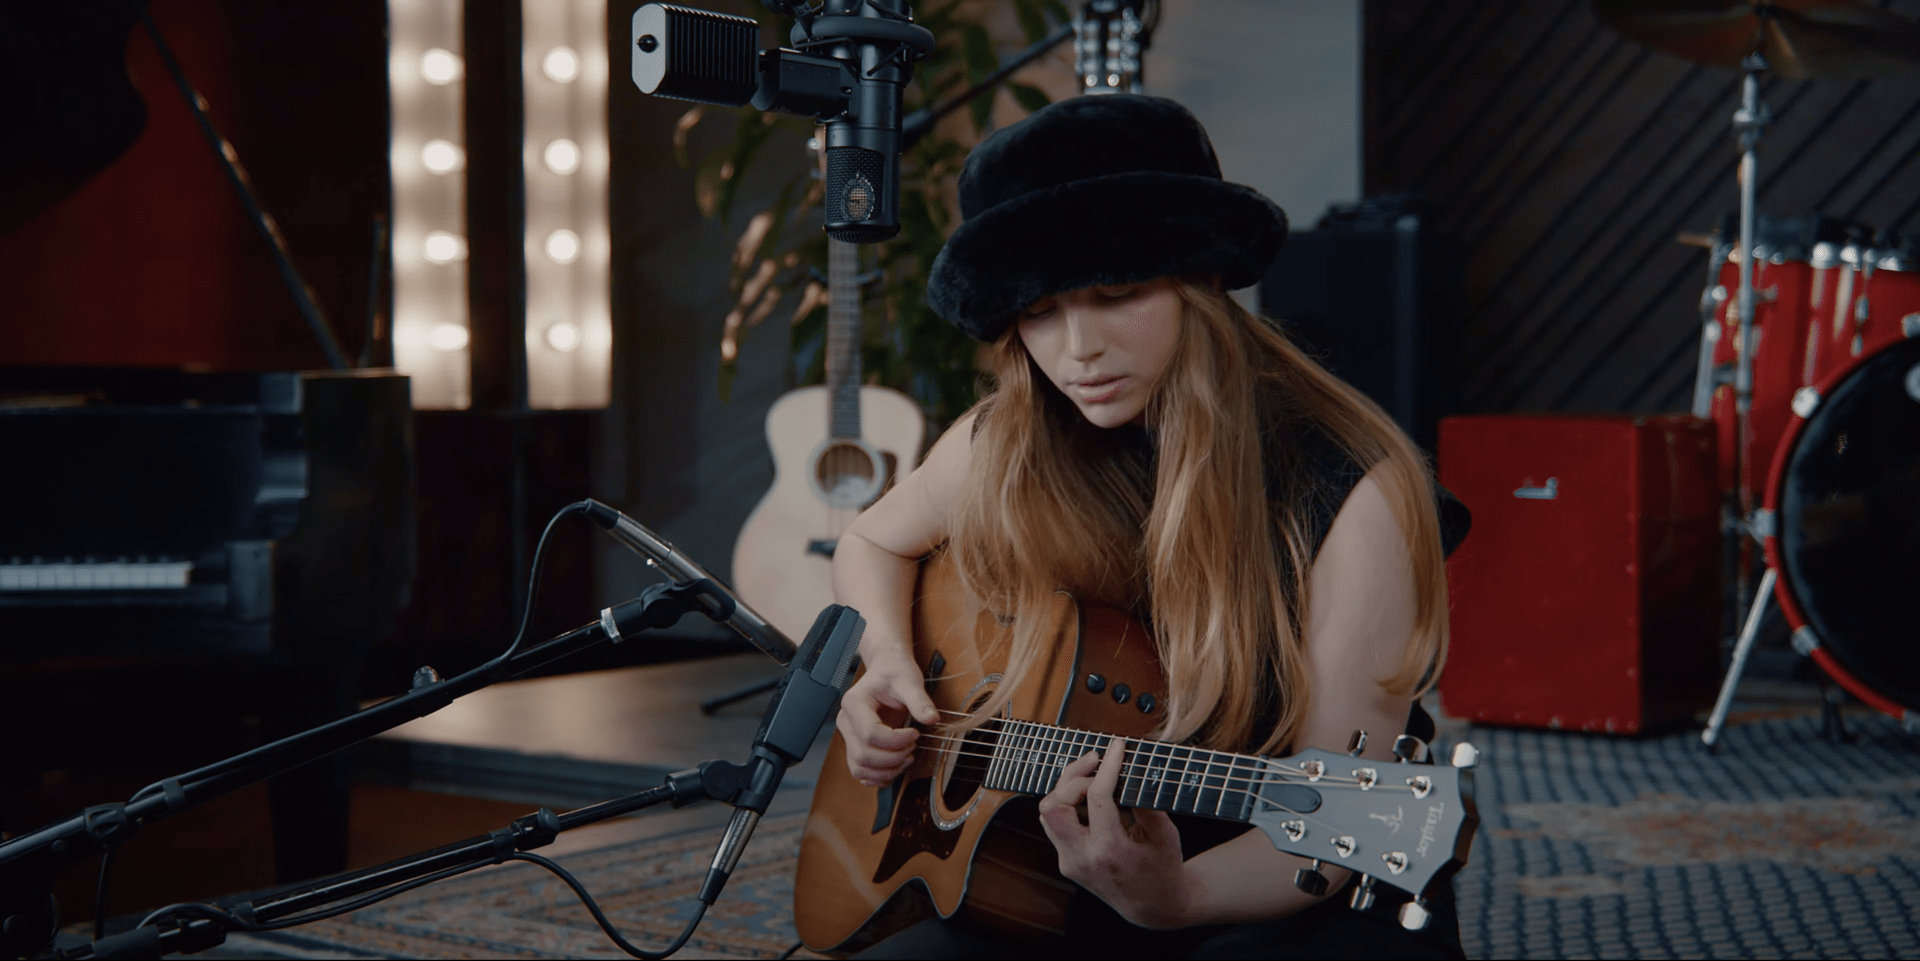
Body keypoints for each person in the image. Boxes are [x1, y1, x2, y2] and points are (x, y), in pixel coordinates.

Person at [827, 94, 1468, 959]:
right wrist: (891, 668)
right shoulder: (1012, 439)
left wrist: (1177, 895)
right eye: (1039, 311)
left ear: (1201, 279)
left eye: (1116, 292)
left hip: (1280, 874)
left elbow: (1334, 826)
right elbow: (868, 540)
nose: (1076, 349)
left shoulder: (1352, 487)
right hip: (1060, 857)